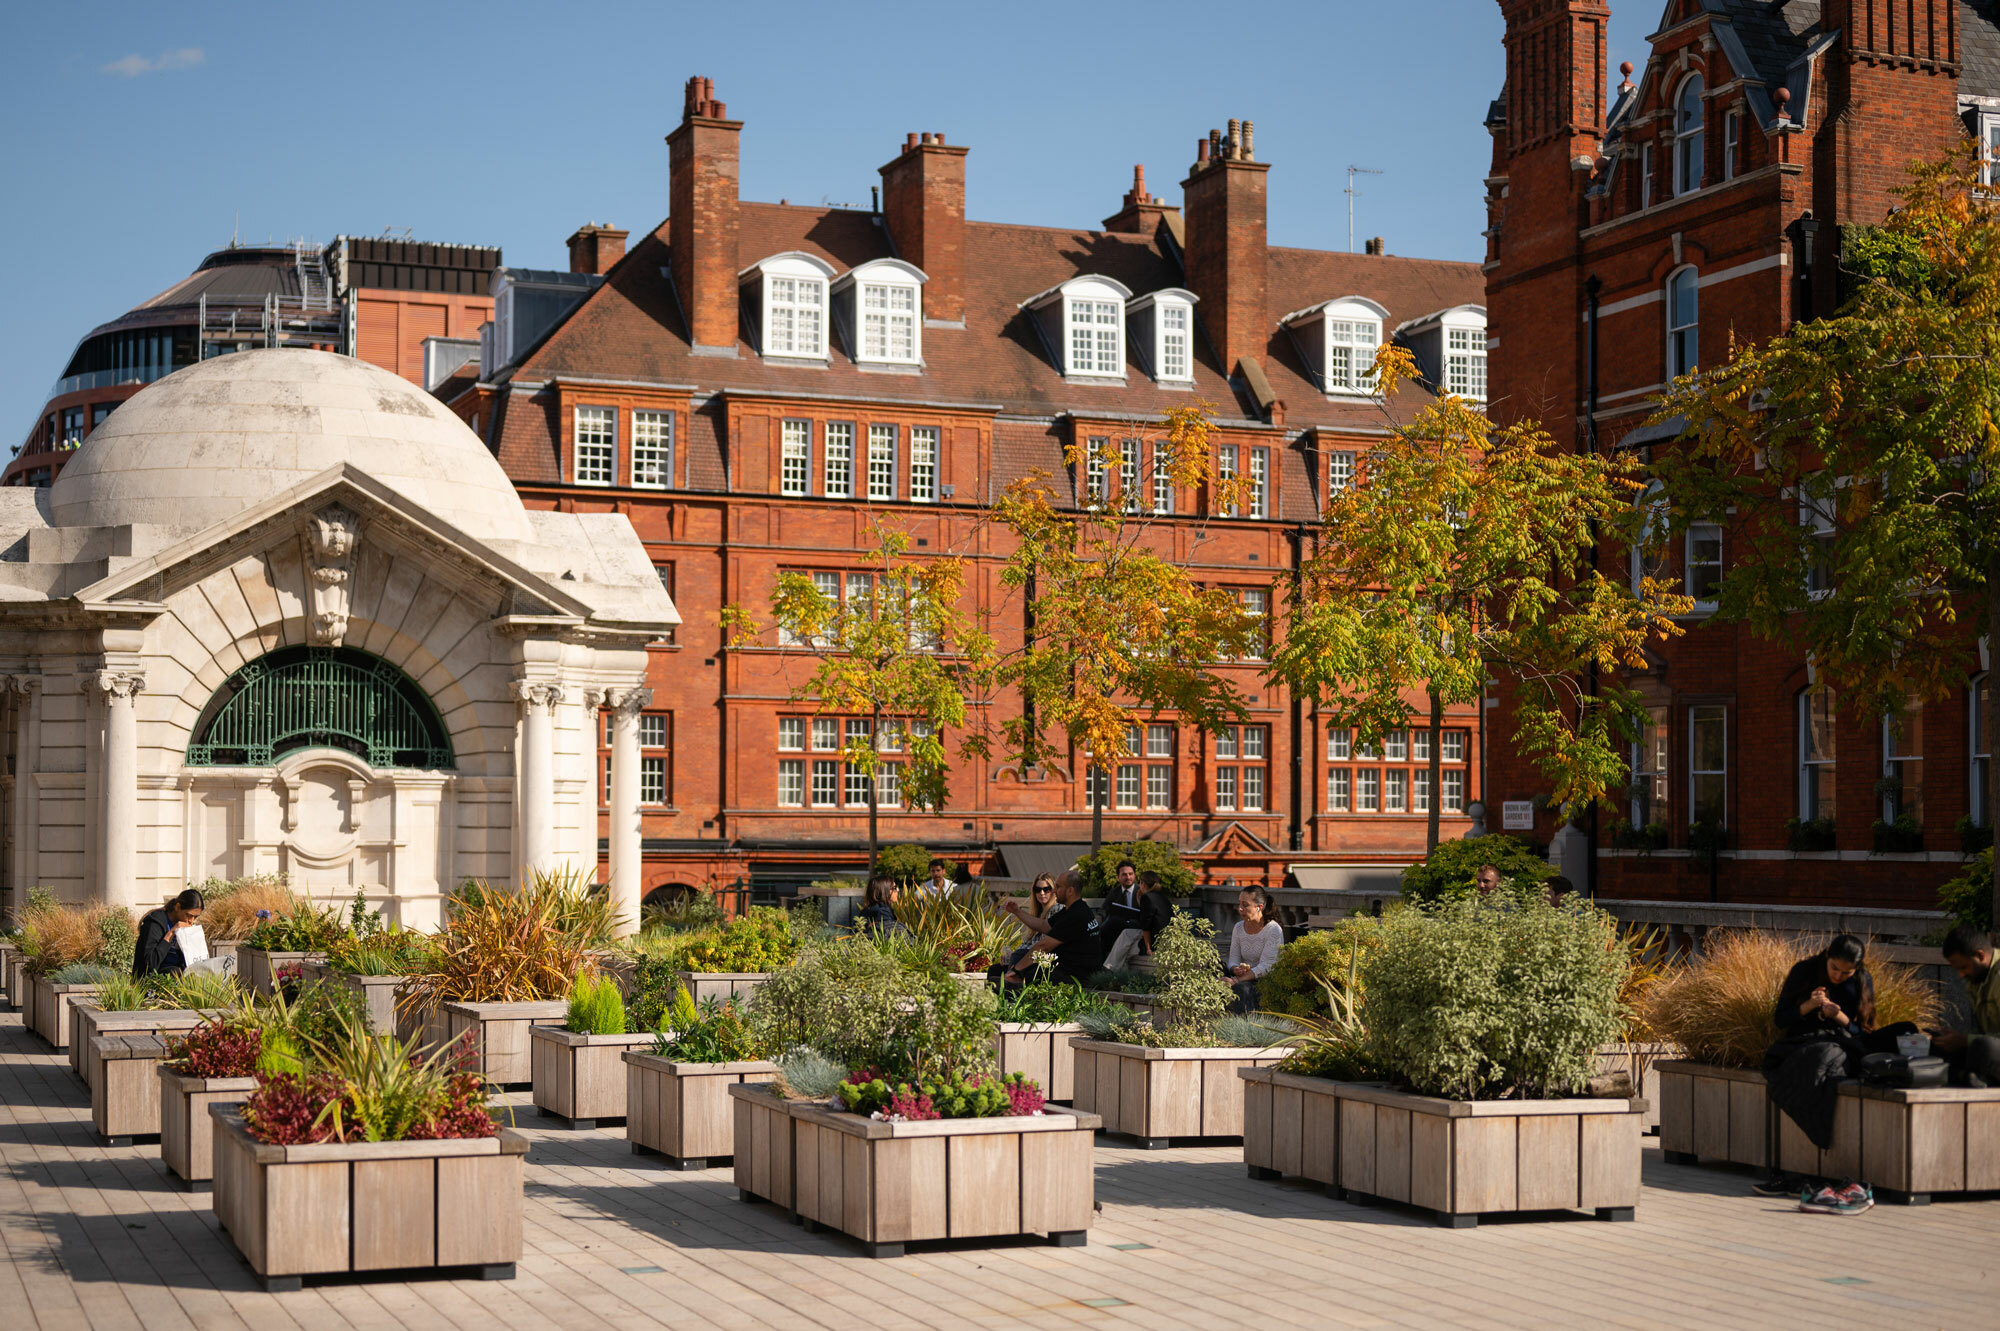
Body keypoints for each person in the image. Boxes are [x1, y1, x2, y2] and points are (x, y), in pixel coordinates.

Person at [1755, 935, 1918, 1212]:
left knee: (1907, 1030)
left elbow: (1863, 1030)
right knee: (1823, 1057)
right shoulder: (1804, 971)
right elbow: (1781, 1019)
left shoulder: (1862, 980)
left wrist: (1838, 1015)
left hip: (1847, 1041)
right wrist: (1808, 1005)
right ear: (1826, 956)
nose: (1839, 976)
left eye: (1847, 972)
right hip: (1805, 1041)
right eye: (1834, 969)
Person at [998, 868, 1101, 986]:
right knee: (998, 969)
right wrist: (1017, 911)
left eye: (1058, 887)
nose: (1054, 891)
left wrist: (1017, 970)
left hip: (1076, 976)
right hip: (1064, 968)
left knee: (1027, 975)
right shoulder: (1074, 909)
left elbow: (1044, 946)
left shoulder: (1076, 915)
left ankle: (1012, 1003)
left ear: (1070, 891)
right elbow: (1043, 925)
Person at [1933, 927, 2000, 1086]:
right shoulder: (1977, 978)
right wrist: (1954, 1039)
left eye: (1963, 967)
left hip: (1990, 1050)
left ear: (1980, 955)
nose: (1960, 975)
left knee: (1984, 1047)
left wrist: (1965, 1040)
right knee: (1939, 1049)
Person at [1225, 887, 1283, 1013]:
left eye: (1245, 905)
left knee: (1241, 988)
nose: (1240, 908)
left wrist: (1236, 980)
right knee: (1212, 967)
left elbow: (1267, 966)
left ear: (1259, 907)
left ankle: (1245, 1026)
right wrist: (1235, 969)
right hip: (1243, 977)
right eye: (1239, 904)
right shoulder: (1238, 928)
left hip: (1263, 981)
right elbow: (1233, 959)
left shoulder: (1273, 930)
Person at [1103, 870, 1172, 971]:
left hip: (1155, 942)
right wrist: (1140, 902)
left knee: (1125, 950)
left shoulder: (1146, 897)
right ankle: (1109, 968)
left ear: (1142, 883)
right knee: (1126, 932)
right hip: (1163, 938)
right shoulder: (1162, 896)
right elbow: (1152, 918)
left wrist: (1148, 949)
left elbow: (1145, 926)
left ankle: (1109, 969)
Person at [134, 888, 205, 979]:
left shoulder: (185, 927)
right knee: (175, 972)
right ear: (177, 907)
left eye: (195, 917)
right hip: (152, 981)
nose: (191, 921)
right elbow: (150, 964)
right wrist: (170, 934)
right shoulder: (154, 924)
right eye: (188, 915)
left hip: (176, 979)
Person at [996, 874, 1058, 971]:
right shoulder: (1037, 912)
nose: (1042, 893)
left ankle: (1010, 983)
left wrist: (1016, 955)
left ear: (1053, 890)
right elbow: (1028, 942)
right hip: (1031, 956)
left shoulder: (1057, 909)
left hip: (1045, 958)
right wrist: (1010, 955)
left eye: (1046, 889)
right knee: (995, 969)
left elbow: (1044, 943)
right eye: (1037, 889)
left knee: (1018, 956)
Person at [1098, 860, 1142, 965]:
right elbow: (1103, 910)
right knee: (1107, 927)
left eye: (1130, 874)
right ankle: (1099, 963)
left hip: (1137, 926)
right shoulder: (1115, 892)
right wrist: (1097, 921)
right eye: (1124, 875)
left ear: (1135, 875)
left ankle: (1107, 966)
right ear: (1118, 877)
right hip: (1119, 928)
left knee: (1114, 922)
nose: (1128, 877)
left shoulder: (1141, 892)